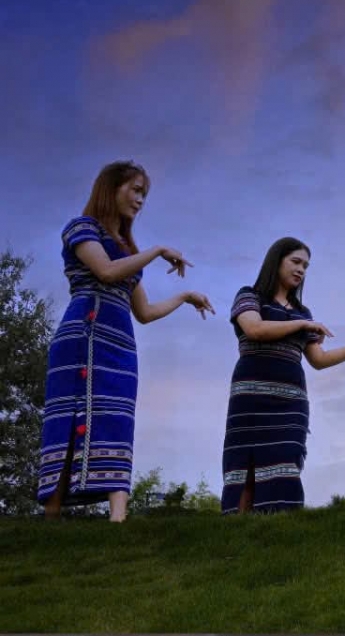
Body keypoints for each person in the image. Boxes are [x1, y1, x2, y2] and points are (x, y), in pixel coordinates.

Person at [38, 161, 215, 522]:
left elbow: (144, 312)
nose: (140, 200)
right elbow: (105, 271)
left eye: (144, 194)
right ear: (111, 188)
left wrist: (184, 297)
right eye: (135, 190)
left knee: (117, 419)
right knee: (71, 416)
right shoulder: (82, 228)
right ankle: (51, 515)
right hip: (85, 336)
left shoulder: (126, 249)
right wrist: (157, 250)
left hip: (121, 345)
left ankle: (118, 519)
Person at [221, 237, 345, 514]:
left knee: (285, 463)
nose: (301, 270)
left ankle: (280, 529)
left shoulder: (302, 312)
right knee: (246, 467)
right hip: (250, 398)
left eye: (306, 266)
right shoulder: (250, 296)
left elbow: (319, 360)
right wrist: (301, 325)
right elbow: (254, 329)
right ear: (277, 261)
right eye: (296, 262)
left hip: (291, 403)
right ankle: (237, 531)